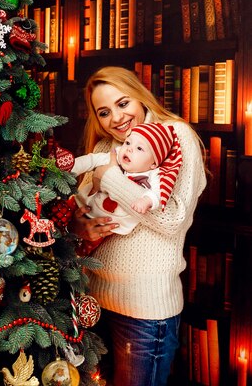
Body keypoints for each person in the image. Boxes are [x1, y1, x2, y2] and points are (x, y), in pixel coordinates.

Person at [69, 66, 206, 386]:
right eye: (104, 112)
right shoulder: (105, 147)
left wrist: (112, 179)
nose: (116, 118)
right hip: (93, 304)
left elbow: (173, 219)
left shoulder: (175, 135)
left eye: (122, 103)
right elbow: (86, 210)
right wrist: (79, 229)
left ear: (141, 96)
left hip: (146, 312)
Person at [71, 122, 183, 251]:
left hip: (108, 225)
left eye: (139, 149)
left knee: (83, 251)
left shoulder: (154, 174)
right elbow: (91, 160)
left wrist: (147, 200)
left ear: (154, 163)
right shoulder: (115, 157)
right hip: (81, 204)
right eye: (128, 143)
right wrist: (69, 167)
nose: (129, 149)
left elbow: (159, 193)